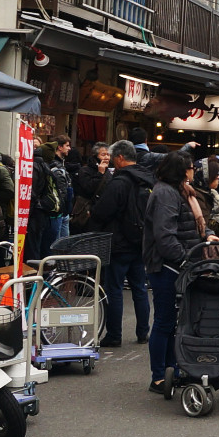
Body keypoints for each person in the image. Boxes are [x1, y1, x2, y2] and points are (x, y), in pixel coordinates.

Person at [142, 152, 207, 394]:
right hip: (167, 266)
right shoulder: (166, 194)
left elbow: (191, 224)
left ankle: (173, 371)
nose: (194, 171)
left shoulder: (181, 191)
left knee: (174, 323)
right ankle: (159, 376)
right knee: (164, 322)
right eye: (191, 168)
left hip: (179, 264)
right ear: (181, 171)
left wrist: (207, 234)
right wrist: (183, 259)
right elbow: (165, 235)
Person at [85, 141, 155, 348]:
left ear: (121, 158)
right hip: (141, 241)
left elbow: (103, 211)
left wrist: (93, 215)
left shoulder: (119, 182)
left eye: (114, 157)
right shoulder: (148, 179)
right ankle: (143, 332)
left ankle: (114, 335)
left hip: (119, 243)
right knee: (139, 288)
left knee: (114, 288)